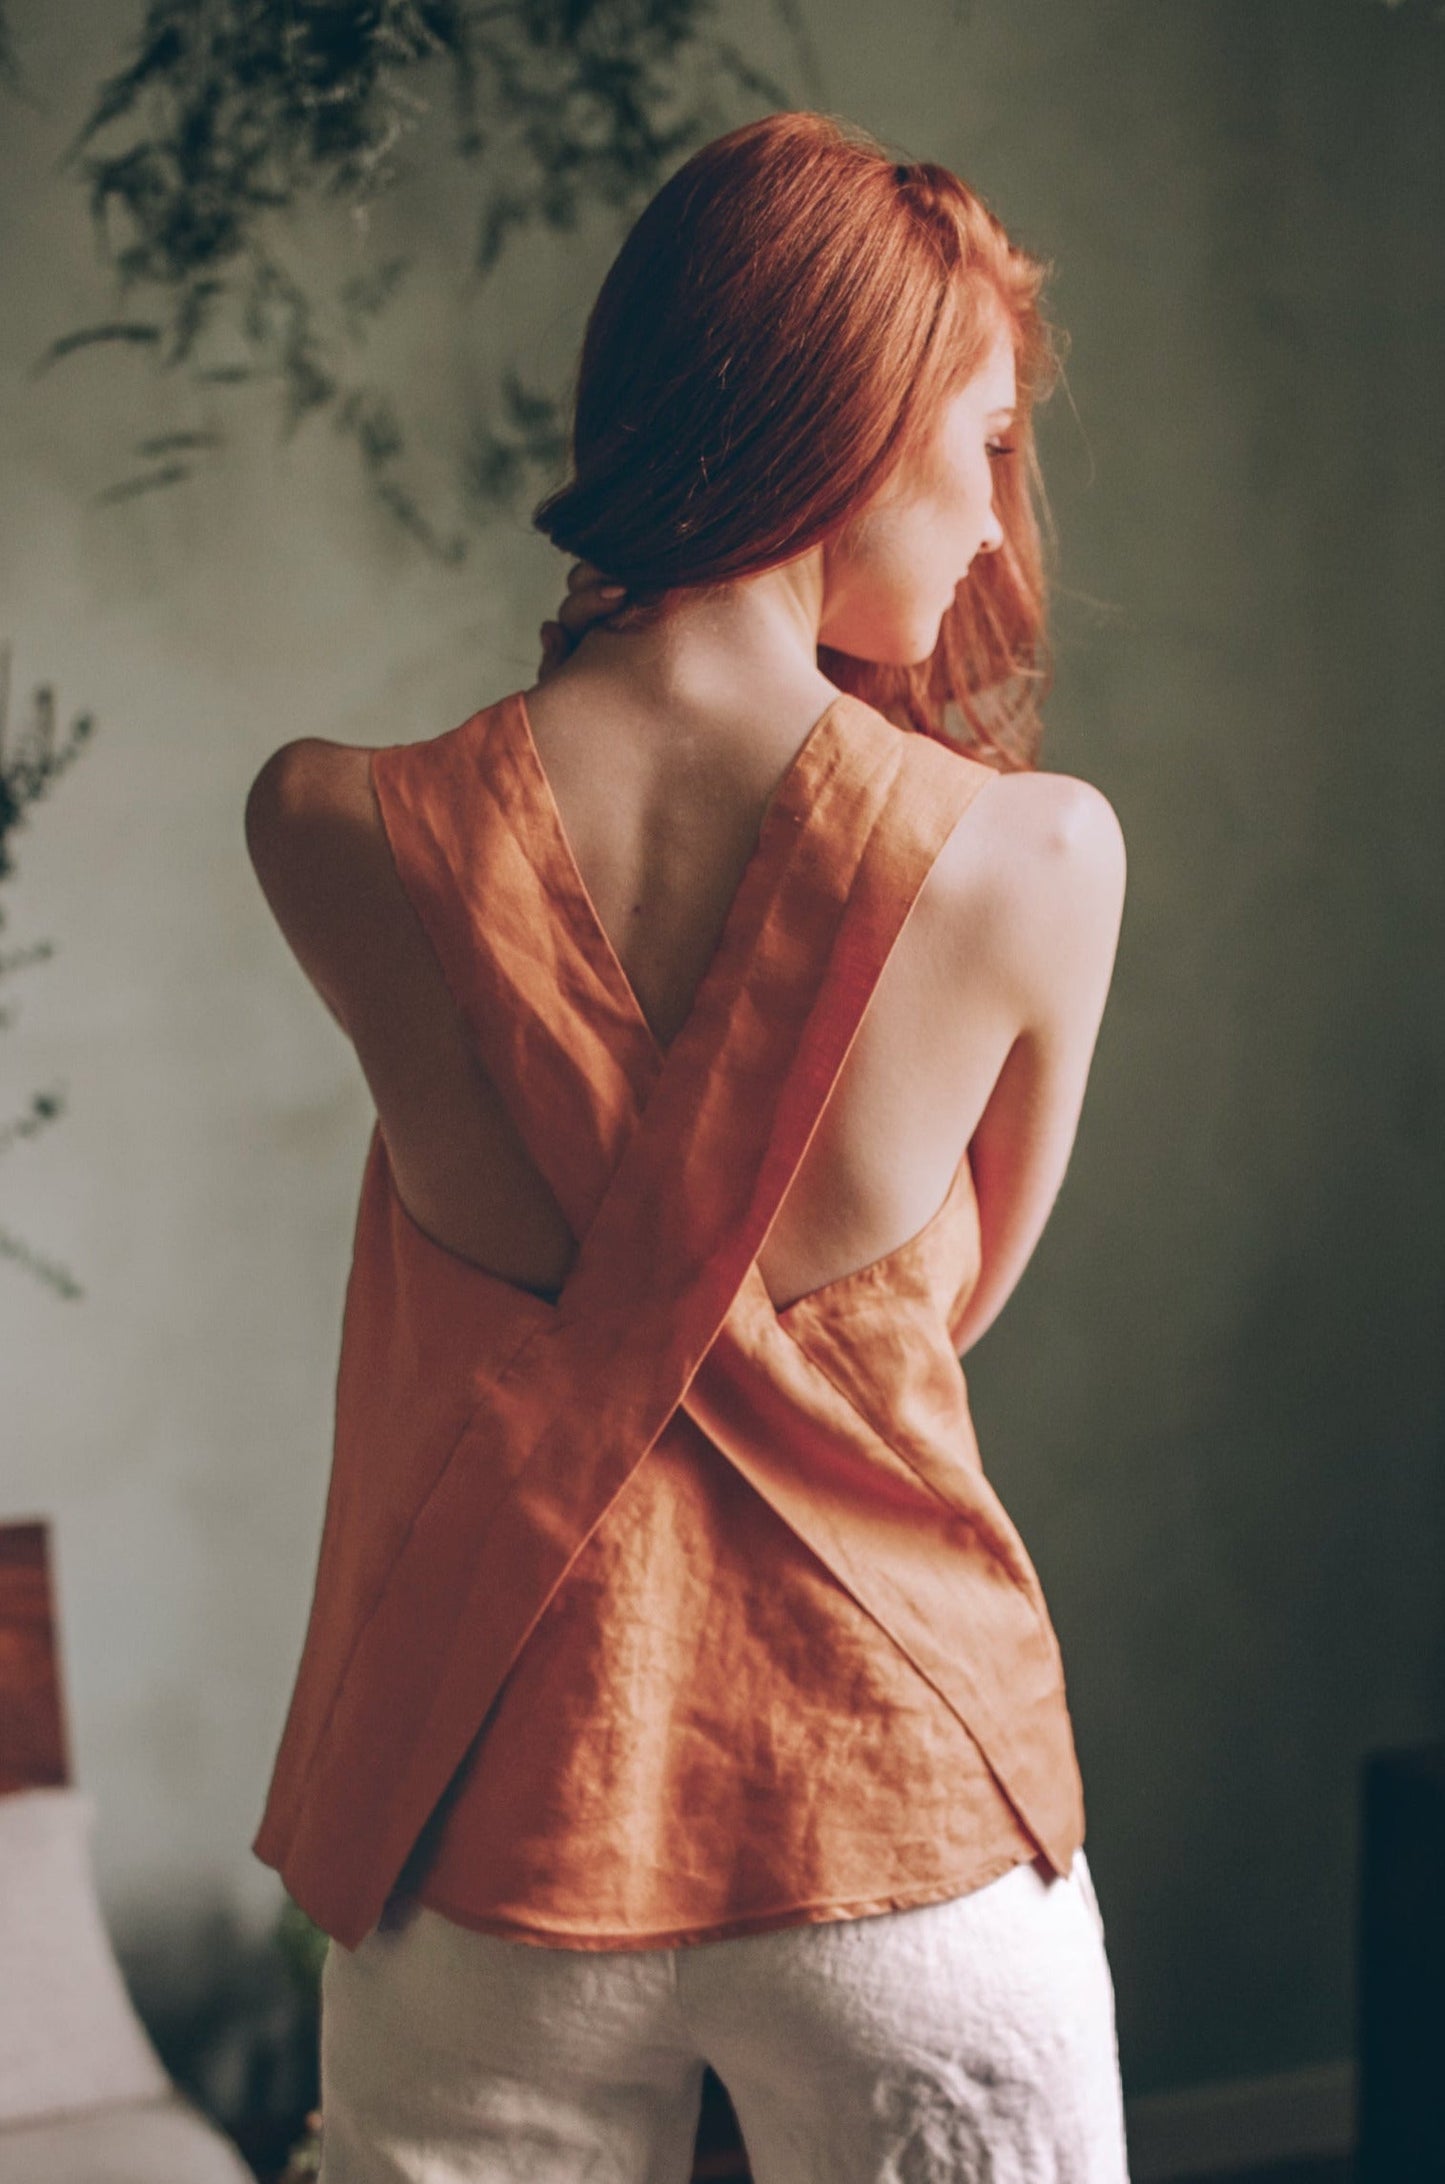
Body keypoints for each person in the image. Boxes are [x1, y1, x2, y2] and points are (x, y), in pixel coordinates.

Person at [244, 109, 1130, 2184]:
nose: (1000, 529)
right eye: (983, 446)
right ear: (854, 425)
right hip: (900, 1808)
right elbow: (947, 1308)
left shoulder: (328, 827)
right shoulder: (1038, 856)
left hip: (495, 1822)